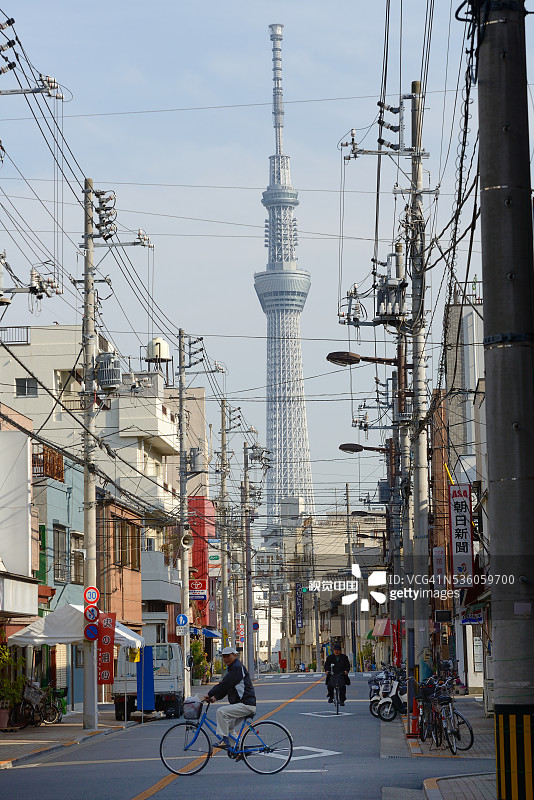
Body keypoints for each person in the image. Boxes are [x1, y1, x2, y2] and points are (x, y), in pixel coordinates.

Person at [202, 646, 256, 749]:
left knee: (221, 712)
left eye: (228, 656)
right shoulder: (233, 668)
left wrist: (209, 694)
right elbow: (228, 687)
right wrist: (215, 697)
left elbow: (224, 684)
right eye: (224, 657)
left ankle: (224, 740)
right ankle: (241, 749)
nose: (225, 659)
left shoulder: (236, 668)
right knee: (229, 728)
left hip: (246, 704)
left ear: (235, 655)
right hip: (243, 704)